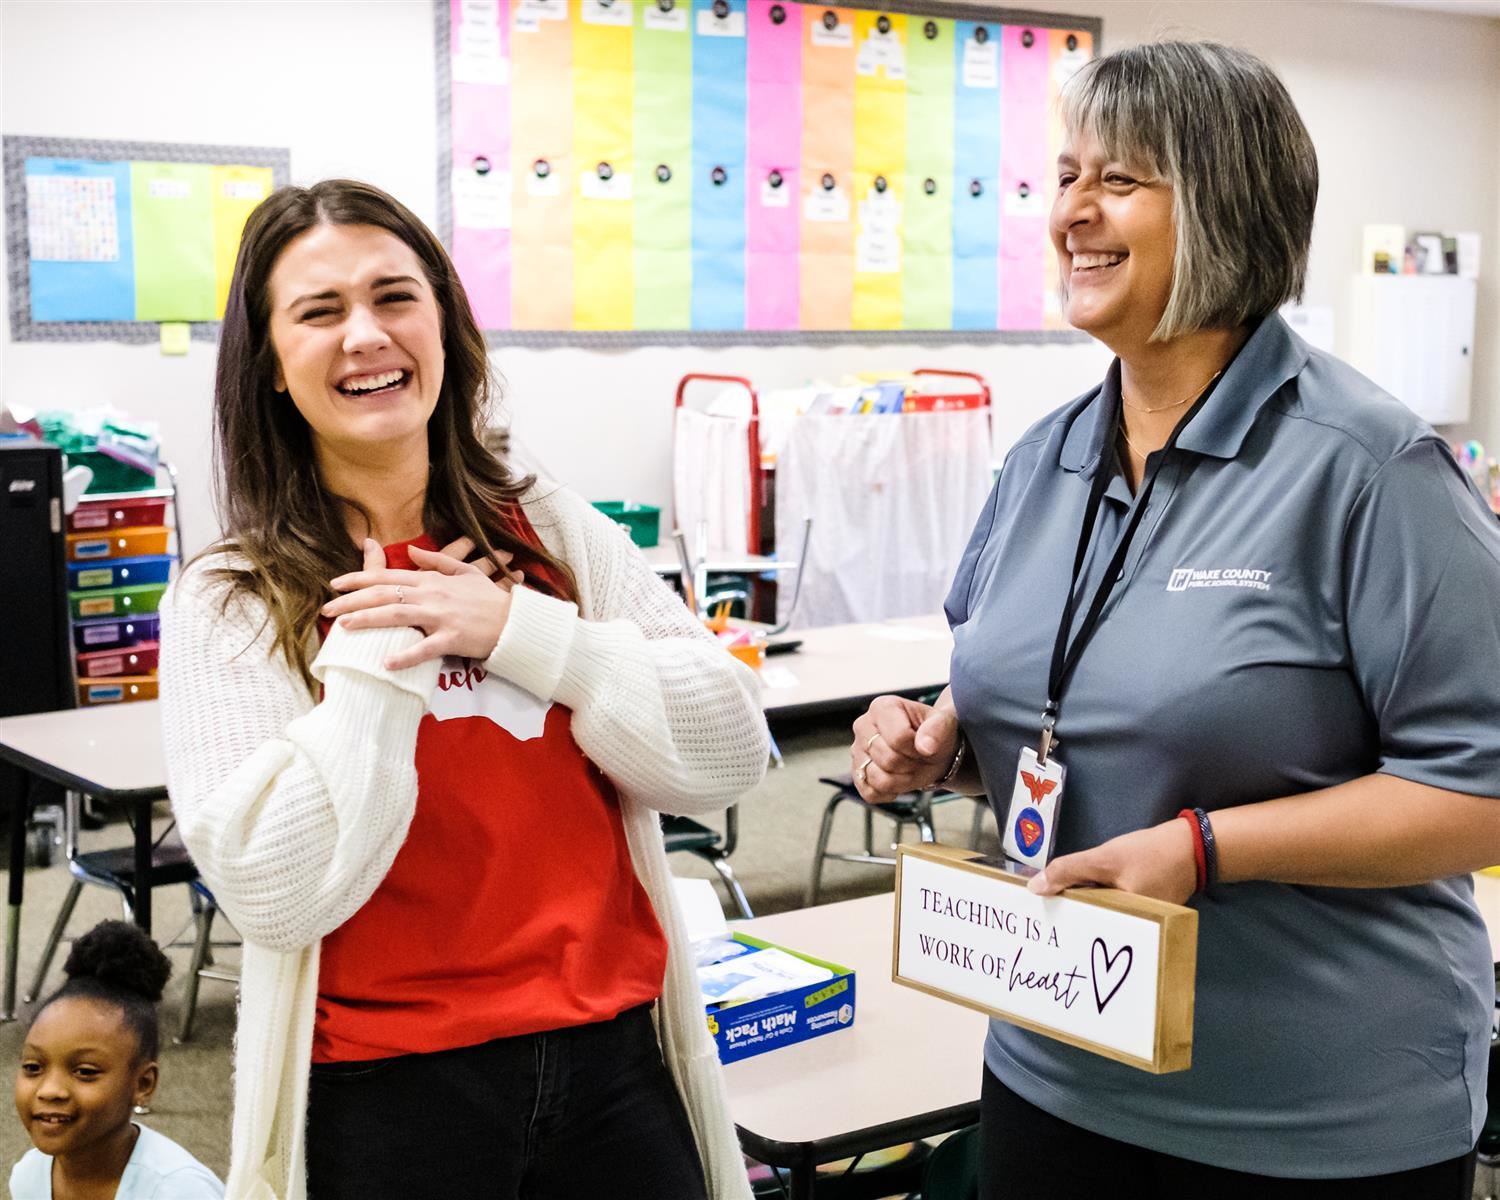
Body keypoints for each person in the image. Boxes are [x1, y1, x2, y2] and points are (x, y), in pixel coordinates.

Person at [852, 40, 1500, 1200]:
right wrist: (936, 743)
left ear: (1224, 207)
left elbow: (1482, 789)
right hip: (1055, 1065)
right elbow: (1035, 702)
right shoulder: (1041, 461)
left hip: (1312, 1115)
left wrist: (1204, 849)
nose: (1071, 214)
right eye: (1064, 176)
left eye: (1120, 180)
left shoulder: (1370, 468)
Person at [157, 179, 769, 1199]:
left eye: (395, 296)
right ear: (269, 363)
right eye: (319, 311)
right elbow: (270, 890)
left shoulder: (550, 529)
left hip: (613, 1060)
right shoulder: (228, 598)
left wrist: (532, 636)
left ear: (445, 323)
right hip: (391, 1096)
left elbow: (729, 753)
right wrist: (374, 652)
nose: (366, 334)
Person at [11, 921, 225, 1200]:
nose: (50, 1090)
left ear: (143, 1084)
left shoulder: (179, 1191)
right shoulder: (29, 1176)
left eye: (85, 1072)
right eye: (33, 1068)